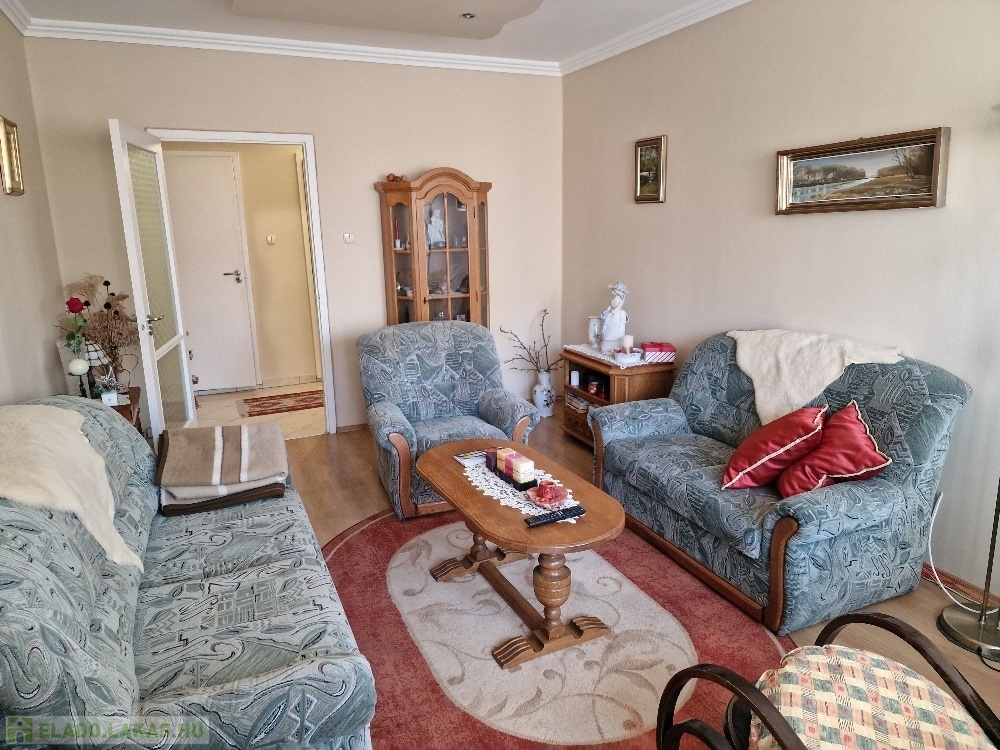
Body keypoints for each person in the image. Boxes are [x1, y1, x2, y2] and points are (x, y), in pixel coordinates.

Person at [599, 282, 628, 351]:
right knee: (608, 329)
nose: (613, 290)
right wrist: (606, 312)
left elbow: (617, 309)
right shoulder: (614, 299)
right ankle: (607, 344)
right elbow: (609, 307)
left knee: (614, 331)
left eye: (615, 289)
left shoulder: (621, 300)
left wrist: (611, 313)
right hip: (611, 314)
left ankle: (614, 345)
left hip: (616, 316)